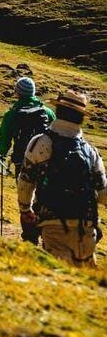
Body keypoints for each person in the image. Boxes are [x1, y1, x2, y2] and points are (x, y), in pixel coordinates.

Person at [17, 89, 107, 267]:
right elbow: (103, 194)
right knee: (84, 285)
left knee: (60, 280)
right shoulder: (91, 152)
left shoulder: (41, 143)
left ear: (58, 111)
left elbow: (25, 182)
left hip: (54, 225)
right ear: (81, 117)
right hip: (87, 227)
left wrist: (25, 208)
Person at [0, 76, 55, 242]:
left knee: (26, 197)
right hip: (46, 163)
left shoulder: (12, 114)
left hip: (21, 162)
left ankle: (29, 236)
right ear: (34, 92)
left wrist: (1, 153)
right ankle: (44, 231)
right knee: (43, 197)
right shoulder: (48, 112)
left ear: (18, 93)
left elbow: (4, 138)